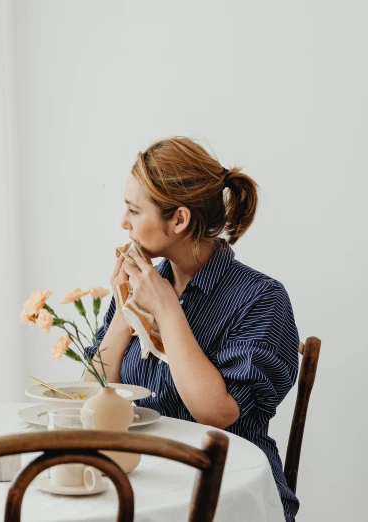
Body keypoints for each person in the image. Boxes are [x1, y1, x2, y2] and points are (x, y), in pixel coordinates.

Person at [87, 137, 299, 521]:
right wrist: (124, 314)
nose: (123, 222)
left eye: (134, 210)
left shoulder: (262, 298)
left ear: (180, 219)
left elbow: (216, 413)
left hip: (226, 490)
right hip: (143, 482)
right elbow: (89, 394)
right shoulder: (145, 284)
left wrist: (168, 312)